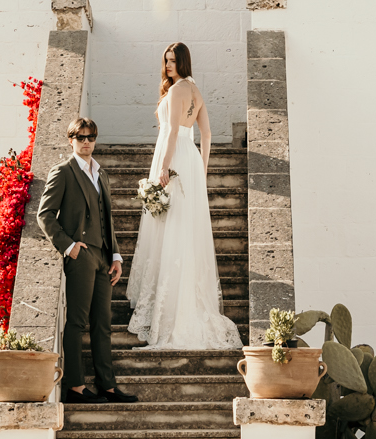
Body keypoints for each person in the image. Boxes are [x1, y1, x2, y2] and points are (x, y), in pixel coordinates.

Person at [125, 43, 242, 350]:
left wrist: (164, 167)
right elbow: (206, 135)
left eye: (173, 61)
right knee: (180, 225)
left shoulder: (178, 90)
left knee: (170, 224)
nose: (168, 66)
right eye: (165, 61)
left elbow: (173, 131)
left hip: (175, 156)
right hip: (189, 159)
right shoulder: (196, 90)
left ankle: (170, 311)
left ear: (183, 62)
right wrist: (201, 173)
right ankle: (182, 301)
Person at [35, 115, 138, 405]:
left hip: (103, 257)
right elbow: (44, 215)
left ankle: (107, 385)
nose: (86, 142)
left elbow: (108, 218)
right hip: (80, 255)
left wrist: (115, 255)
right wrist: (69, 247)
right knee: (77, 322)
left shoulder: (100, 173)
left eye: (90, 137)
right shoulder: (63, 171)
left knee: (102, 323)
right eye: (80, 137)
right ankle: (75, 387)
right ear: (71, 140)